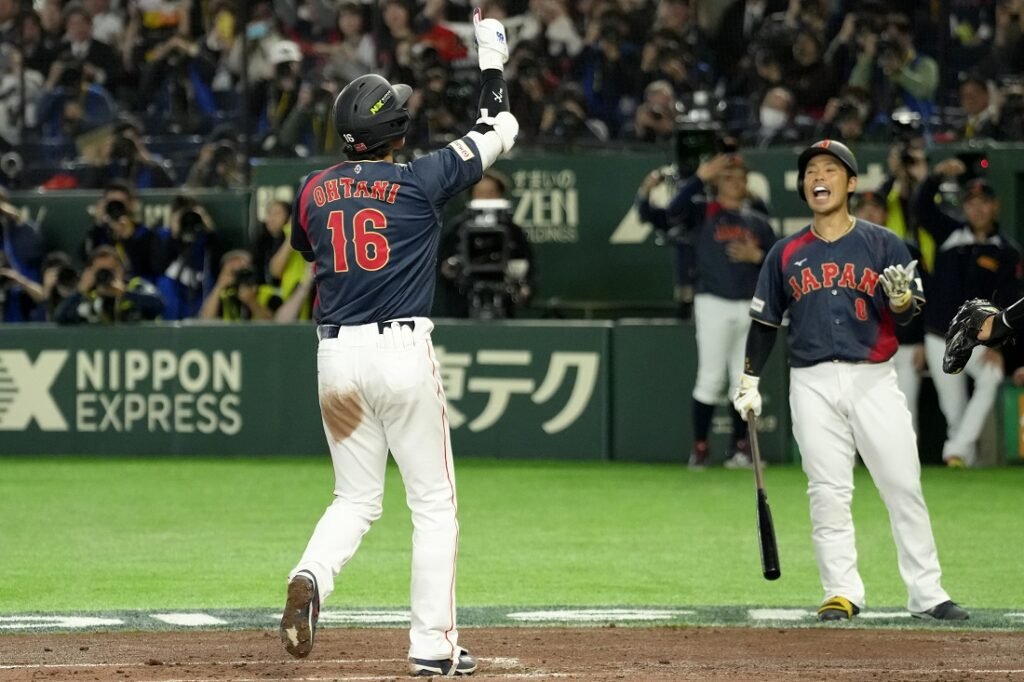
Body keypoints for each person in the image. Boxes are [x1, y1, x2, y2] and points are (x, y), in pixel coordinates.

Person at [277, 9, 518, 678]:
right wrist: (491, 55)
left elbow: (308, 245)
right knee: (433, 506)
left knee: (354, 499)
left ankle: (310, 575)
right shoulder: (420, 181)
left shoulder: (313, 189)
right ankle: (432, 646)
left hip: (335, 357)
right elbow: (501, 128)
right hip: (400, 351)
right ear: (396, 131)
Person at [732, 139, 968, 622]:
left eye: (831, 169)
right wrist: (749, 379)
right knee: (826, 489)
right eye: (811, 171)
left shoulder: (885, 243)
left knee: (902, 484)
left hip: (874, 378)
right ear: (803, 187)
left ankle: (927, 592)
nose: (819, 176)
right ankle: (841, 590)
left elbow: (910, 315)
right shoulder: (785, 252)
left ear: (852, 183)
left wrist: (903, 304)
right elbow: (764, 323)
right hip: (811, 381)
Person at [637, 152, 776, 469]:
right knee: (711, 378)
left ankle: (740, 449)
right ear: (716, 182)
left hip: (751, 305)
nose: (736, 182)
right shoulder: (702, 212)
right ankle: (700, 447)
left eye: (741, 177)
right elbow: (670, 213)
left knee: (744, 382)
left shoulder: (757, 218)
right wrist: (699, 177)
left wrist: (758, 256)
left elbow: (777, 261)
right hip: (713, 302)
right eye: (728, 176)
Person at [914, 162, 1021, 467]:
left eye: (983, 203)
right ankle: (963, 465)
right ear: (964, 207)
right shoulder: (949, 232)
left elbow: (1011, 302)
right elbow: (921, 207)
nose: (977, 209)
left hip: (977, 339)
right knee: (954, 411)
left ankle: (955, 450)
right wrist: (935, 176)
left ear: (995, 206)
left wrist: (998, 344)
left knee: (991, 375)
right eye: (971, 204)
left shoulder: (1006, 251)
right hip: (939, 335)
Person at [851, 191, 926, 432]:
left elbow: (923, 298)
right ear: (854, 213)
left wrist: (922, 341)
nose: (870, 213)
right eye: (863, 208)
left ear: (885, 214)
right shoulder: (843, 252)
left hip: (903, 345)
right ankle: (848, 467)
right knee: (855, 412)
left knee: (905, 412)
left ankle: (906, 468)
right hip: (859, 347)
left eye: (875, 208)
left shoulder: (907, 250)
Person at [438, 169, 535, 319]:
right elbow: (444, 268)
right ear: (471, 195)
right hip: (464, 305)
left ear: (500, 194)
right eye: (481, 192)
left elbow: (527, 265)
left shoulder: (512, 230)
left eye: (491, 192)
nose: (486, 197)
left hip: (503, 303)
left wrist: (524, 287)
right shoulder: (457, 228)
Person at [54, 245, 164, 324]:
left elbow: (158, 304)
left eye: (111, 270)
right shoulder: (88, 296)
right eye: (100, 271)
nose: (105, 276)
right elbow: (59, 318)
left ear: (121, 270)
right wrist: (80, 291)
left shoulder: (135, 286)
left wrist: (125, 293)